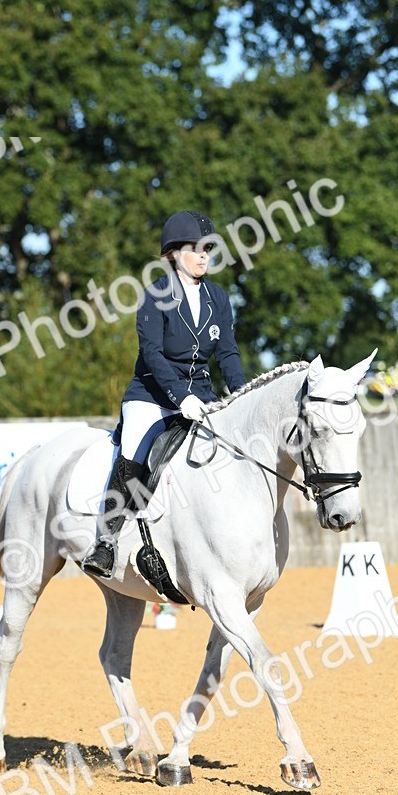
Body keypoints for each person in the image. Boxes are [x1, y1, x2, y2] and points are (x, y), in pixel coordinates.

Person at [82, 209, 247, 579]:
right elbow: (152, 354)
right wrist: (180, 397)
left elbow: (228, 354)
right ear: (174, 253)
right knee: (135, 447)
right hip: (152, 396)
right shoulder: (155, 295)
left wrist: (242, 396)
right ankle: (106, 541)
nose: (203, 256)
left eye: (208, 249)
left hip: (202, 397)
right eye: (195, 249)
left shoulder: (218, 298)